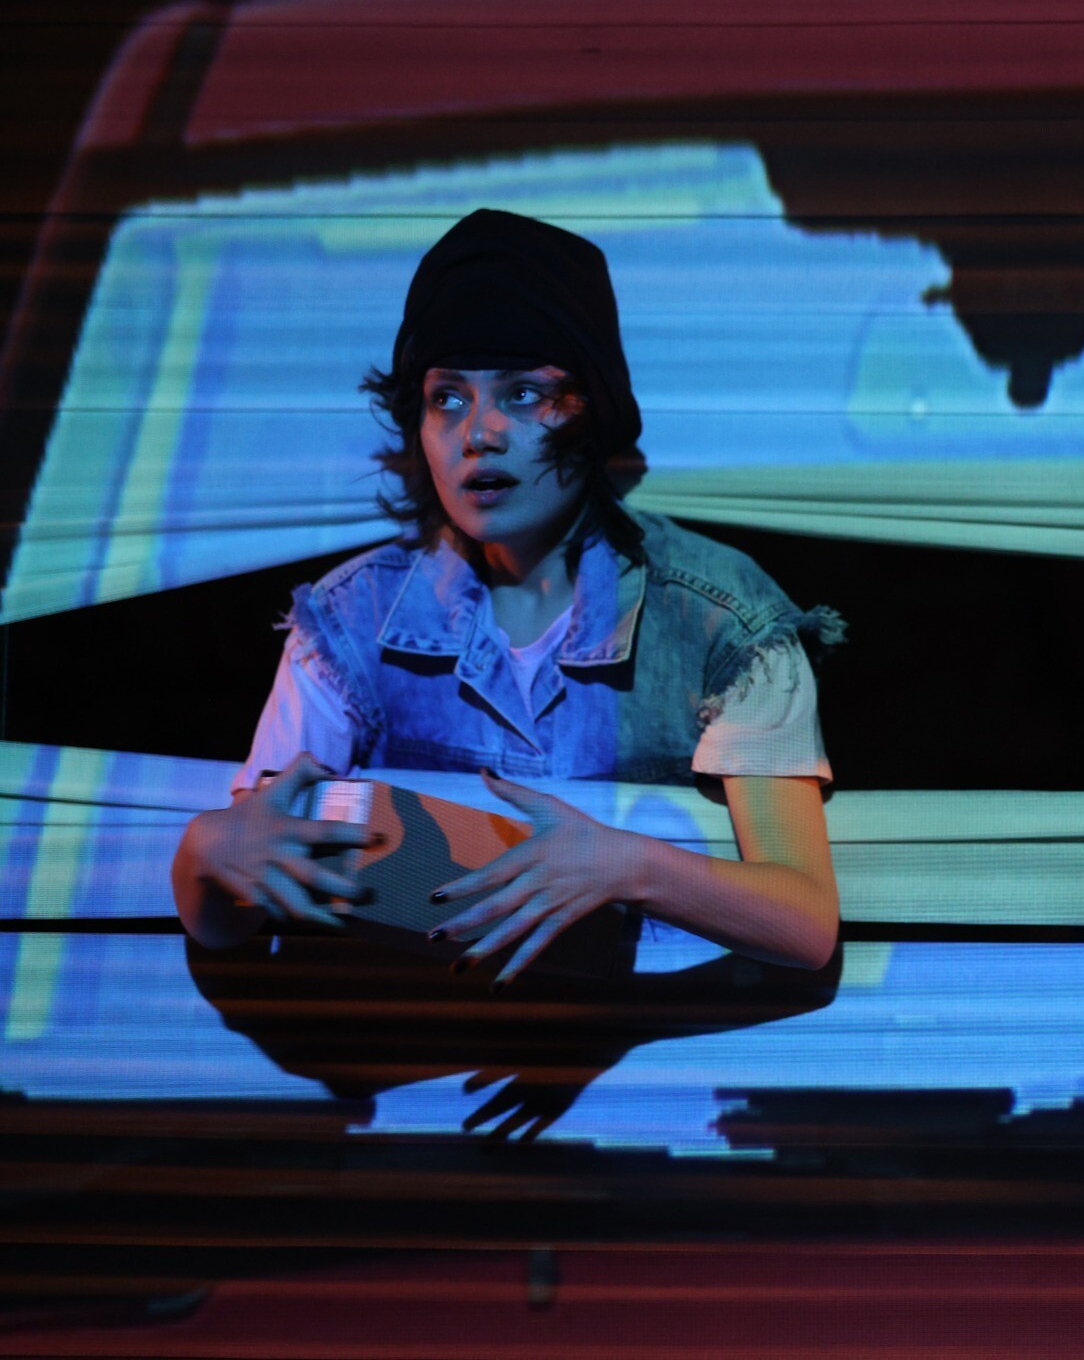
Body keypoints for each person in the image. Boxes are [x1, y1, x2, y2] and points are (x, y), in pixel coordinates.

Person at [174, 209, 840, 978]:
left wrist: (625, 865)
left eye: (523, 394)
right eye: (447, 398)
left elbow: (803, 921)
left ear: (593, 408)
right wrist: (204, 852)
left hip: (643, 1042)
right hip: (426, 1043)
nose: (479, 433)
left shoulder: (720, 616)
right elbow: (230, 918)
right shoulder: (350, 620)